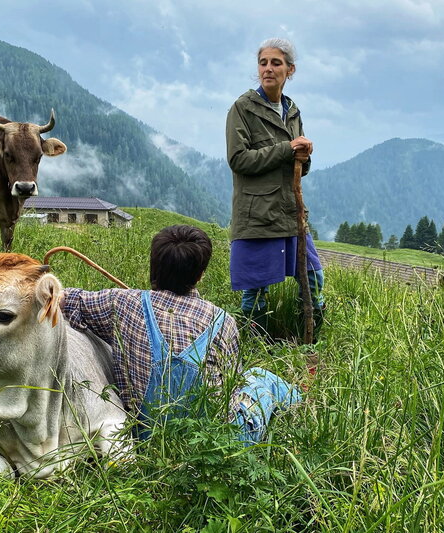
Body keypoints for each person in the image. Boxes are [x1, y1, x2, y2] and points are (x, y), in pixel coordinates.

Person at [60, 225, 300, 444]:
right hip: (219, 444)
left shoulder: (121, 302)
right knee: (260, 377)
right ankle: (300, 409)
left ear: (153, 265)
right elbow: (231, 389)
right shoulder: (222, 321)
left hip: (146, 435)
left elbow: (64, 299)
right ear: (199, 274)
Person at [226, 38, 326, 342]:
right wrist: (287, 148)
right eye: (263, 63)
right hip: (257, 215)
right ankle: (255, 350)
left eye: (276, 63)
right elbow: (238, 160)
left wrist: (303, 156)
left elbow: (298, 167)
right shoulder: (242, 109)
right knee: (254, 291)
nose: (268, 69)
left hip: (291, 213)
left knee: (313, 278)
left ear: (290, 70)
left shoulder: (292, 111)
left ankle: (308, 340)